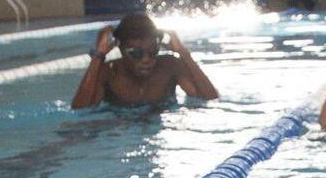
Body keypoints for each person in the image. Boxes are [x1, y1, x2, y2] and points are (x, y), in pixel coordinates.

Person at [71, 13, 219, 109]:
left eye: (153, 52)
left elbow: (210, 98)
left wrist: (183, 53)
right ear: (121, 49)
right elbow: (79, 110)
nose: (147, 60)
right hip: (120, 133)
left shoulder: (169, 66)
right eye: (136, 53)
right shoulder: (109, 72)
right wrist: (98, 56)